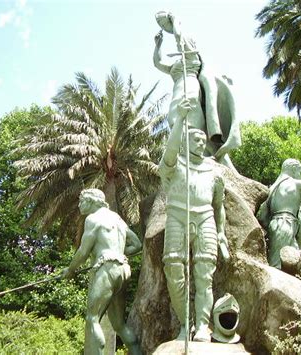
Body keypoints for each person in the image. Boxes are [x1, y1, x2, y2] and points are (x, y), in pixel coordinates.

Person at [159, 99, 229, 342]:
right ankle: (184, 324)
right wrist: (179, 118)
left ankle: (202, 326)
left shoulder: (215, 171)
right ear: (185, 141)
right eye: (195, 139)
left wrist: (221, 233)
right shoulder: (174, 163)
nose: (200, 143)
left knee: (203, 276)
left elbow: (219, 206)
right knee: (174, 269)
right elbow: (169, 153)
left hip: (205, 219)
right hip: (177, 216)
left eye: (203, 140)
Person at [153, 11, 241, 170]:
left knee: (194, 133)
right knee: (177, 129)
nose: (184, 45)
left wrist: (175, 24)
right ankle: (194, 164)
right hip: (176, 99)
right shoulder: (176, 65)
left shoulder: (192, 60)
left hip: (190, 93)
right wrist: (158, 46)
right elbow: (158, 63)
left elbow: (180, 39)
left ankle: (225, 170)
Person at [62, 188, 142, 355]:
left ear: (91, 201)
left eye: (82, 201)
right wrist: (117, 254)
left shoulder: (93, 219)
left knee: (92, 318)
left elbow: (83, 252)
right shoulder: (117, 219)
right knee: (119, 325)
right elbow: (136, 244)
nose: (79, 205)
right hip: (123, 270)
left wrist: (70, 270)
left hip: (108, 270)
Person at [258, 159, 301, 269]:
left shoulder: (272, 189)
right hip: (286, 224)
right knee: (276, 267)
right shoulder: (299, 185)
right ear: (293, 169)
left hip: (275, 225)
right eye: (300, 172)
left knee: (294, 266)